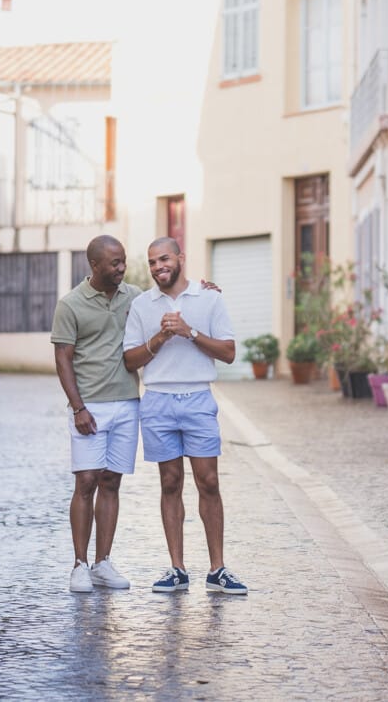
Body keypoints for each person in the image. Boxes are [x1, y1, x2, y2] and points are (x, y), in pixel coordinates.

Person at [123, 237, 247, 595]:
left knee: (208, 482)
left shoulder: (209, 298)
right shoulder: (142, 305)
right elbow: (130, 361)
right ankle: (177, 569)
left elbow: (228, 352)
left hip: (197, 398)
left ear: (180, 258)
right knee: (170, 482)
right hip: (158, 401)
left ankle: (217, 569)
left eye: (164, 258)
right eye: (151, 262)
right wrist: (161, 337)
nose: (158, 266)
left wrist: (189, 332)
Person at [51, 234, 141, 594]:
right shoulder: (70, 304)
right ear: (95, 265)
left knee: (111, 482)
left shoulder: (133, 297)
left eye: (123, 261)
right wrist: (78, 407)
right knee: (86, 481)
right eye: (114, 263)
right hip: (90, 407)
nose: (121, 268)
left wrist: (205, 289)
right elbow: (62, 359)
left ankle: (103, 562)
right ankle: (79, 565)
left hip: (127, 402)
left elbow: (169, 299)